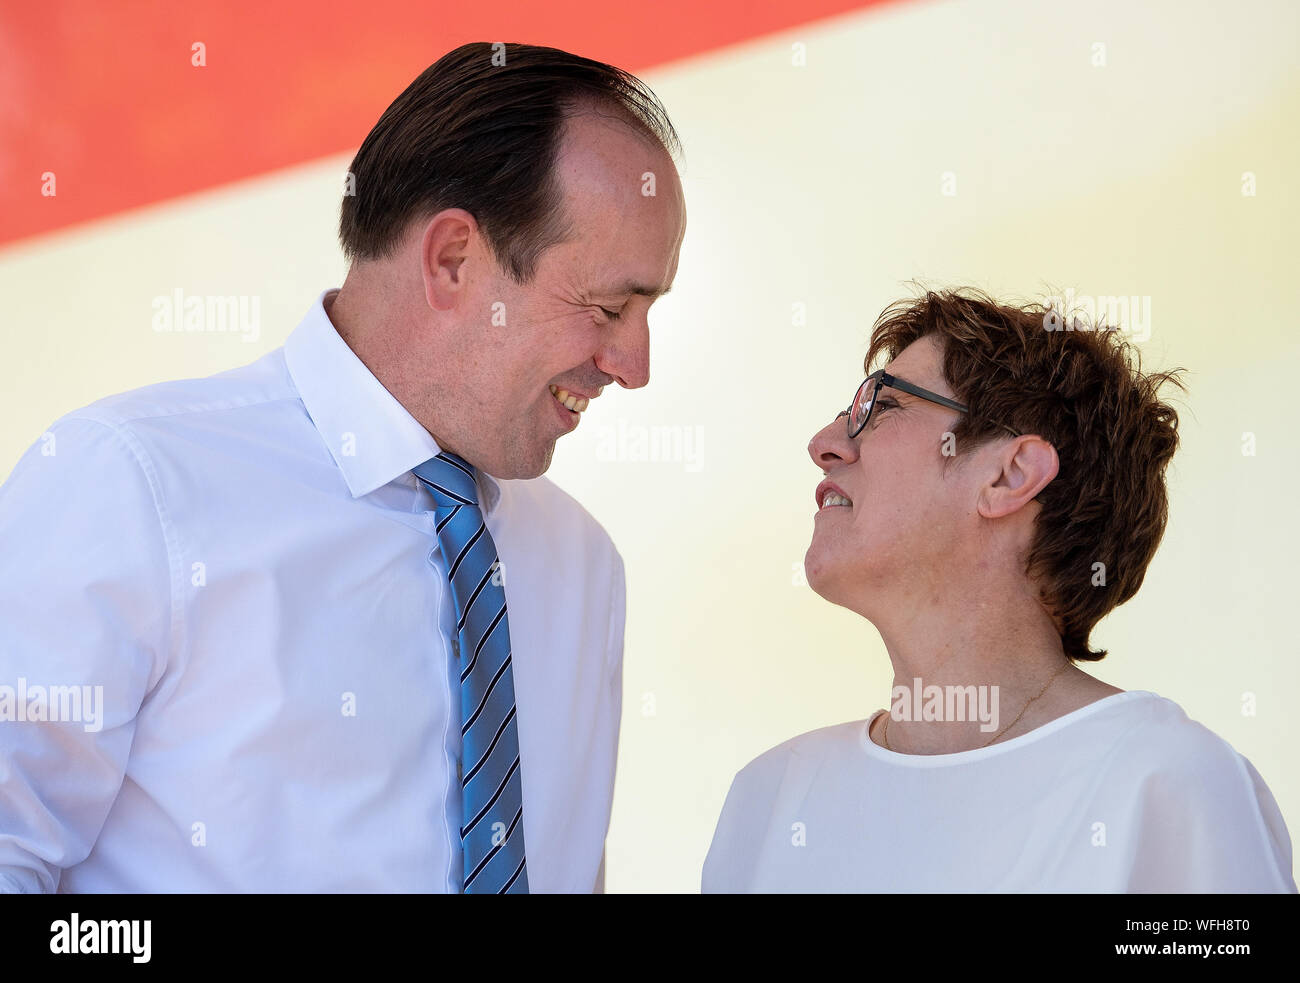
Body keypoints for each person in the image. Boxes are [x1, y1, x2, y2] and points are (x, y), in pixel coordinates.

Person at [0, 42, 686, 893]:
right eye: (609, 307)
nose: (634, 363)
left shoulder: (582, 566)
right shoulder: (132, 488)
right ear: (452, 261)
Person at [702, 288, 1295, 893]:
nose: (825, 442)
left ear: (1010, 475)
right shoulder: (770, 800)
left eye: (882, 407)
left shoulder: (1168, 788)